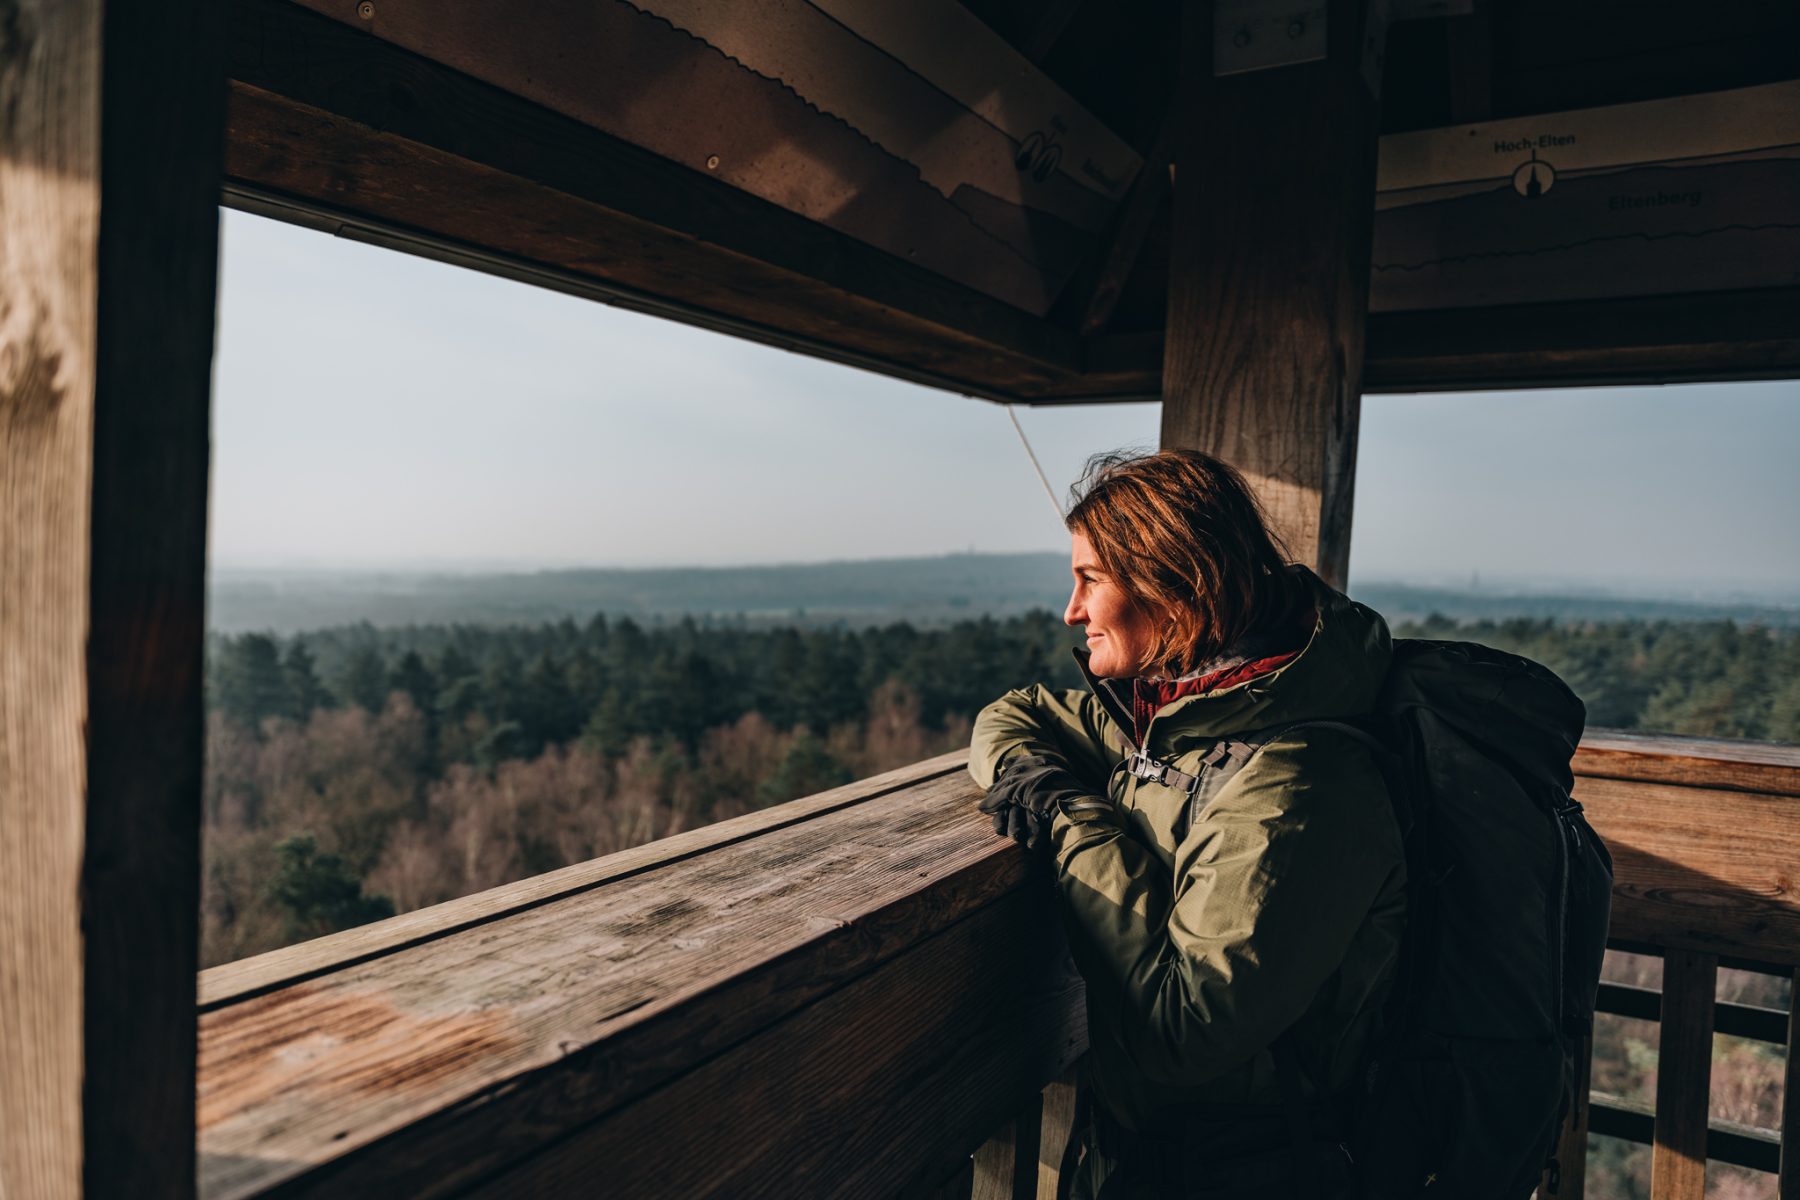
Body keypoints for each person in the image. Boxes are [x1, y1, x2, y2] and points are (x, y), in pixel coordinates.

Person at [969, 449, 1408, 1199]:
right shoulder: (1180, 724)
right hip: (1167, 1154)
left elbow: (1185, 1031)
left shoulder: (1298, 781)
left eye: (1090, 580)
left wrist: (1073, 819)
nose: (1072, 612)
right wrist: (1033, 775)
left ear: (1173, 587)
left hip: (1261, 1166)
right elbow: (1015, 714)